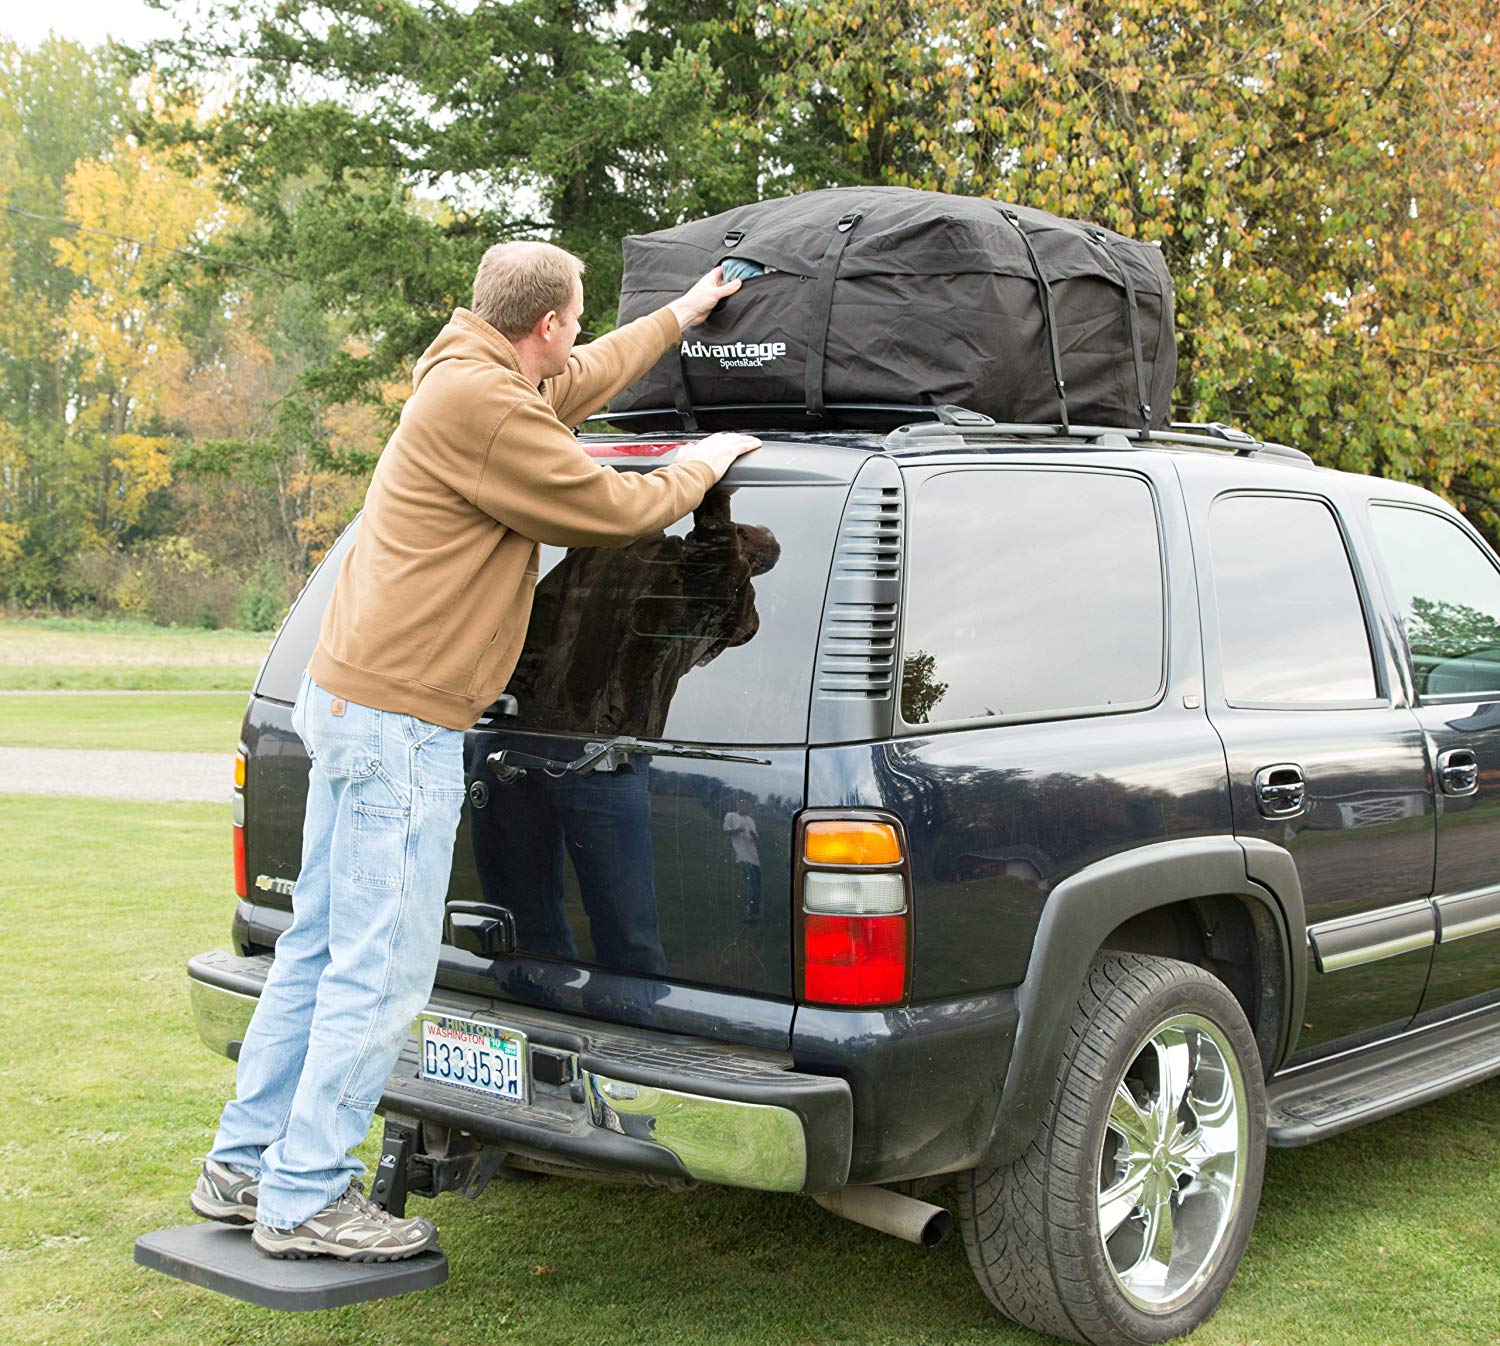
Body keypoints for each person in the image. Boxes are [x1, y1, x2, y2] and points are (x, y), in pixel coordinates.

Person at [188, 241, 759, 1261]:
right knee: (382, 969)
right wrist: (703, 464)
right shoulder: (490, 413)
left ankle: (246, 1164)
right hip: (401, 723)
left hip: (353, 698)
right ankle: (307, 1194)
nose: (576, 340)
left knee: (318, 948)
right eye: (572, 321)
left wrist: (683, 313)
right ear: (541, 324)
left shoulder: (471, 372)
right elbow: (618, 509)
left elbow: (580, 377)